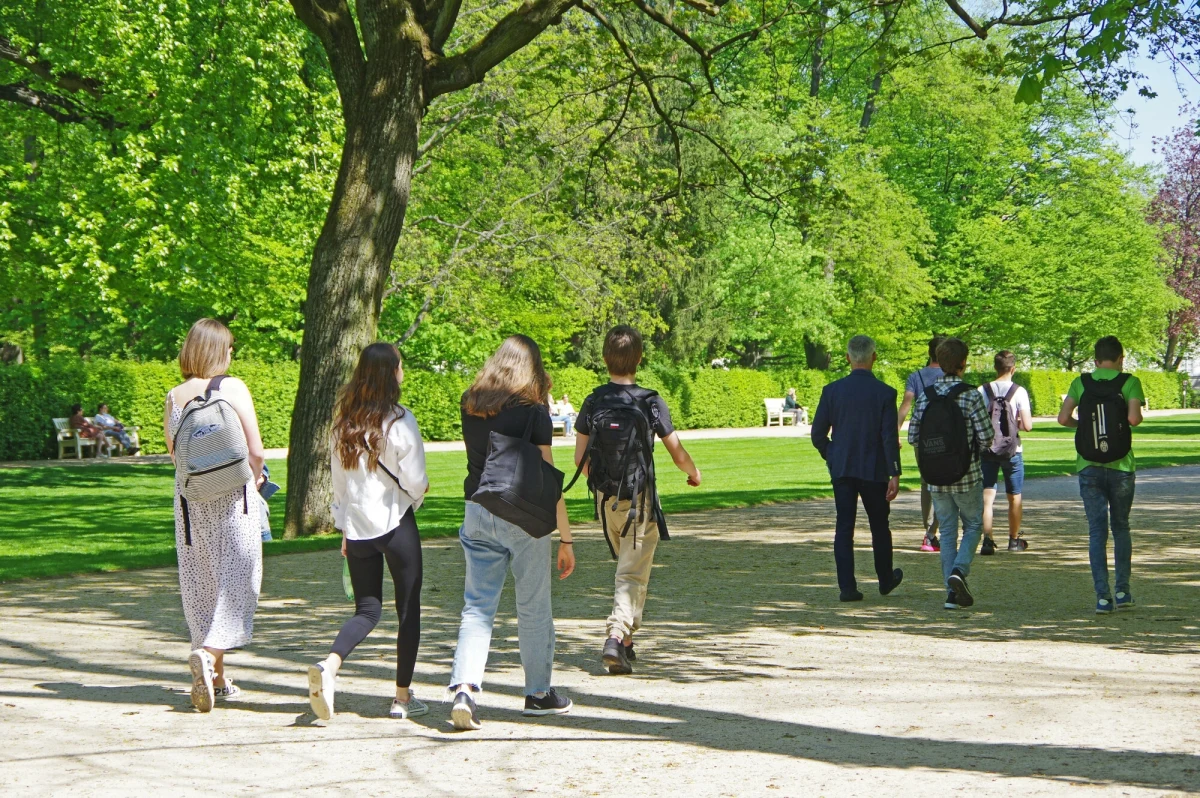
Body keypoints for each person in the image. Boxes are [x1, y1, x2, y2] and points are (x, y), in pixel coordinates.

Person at [448, 335, 576, 731]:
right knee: (533, 606)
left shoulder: (471, 404)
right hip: (522, 514)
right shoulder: (533, 412)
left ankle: (465, 688)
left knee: (477, 606)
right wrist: (566, 538)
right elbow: (548, 480)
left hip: (477, 508)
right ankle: (538, 694)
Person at [308, 343, 430, 721]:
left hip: (359, 527)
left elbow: (339, 486)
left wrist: (344, 526)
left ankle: (330, 665)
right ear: (392, 373)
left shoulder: (344, 423)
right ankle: (401, 698)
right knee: (408, 610)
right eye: (401, 366)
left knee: (367, 610)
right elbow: (417, 480)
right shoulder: (399, 420)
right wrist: (412, 497)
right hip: (395, 522)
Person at [573, 325, 701, 675]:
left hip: (604, 501)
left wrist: (604, 485)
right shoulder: (649, 400)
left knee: (632, 570)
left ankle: (627, 643)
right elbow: (676, 451)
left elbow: (579, 460)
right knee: (632, 572)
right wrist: (693, 472)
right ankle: (615, 635)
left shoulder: (594, 400)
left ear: (604, 358)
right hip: (639, 500)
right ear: (640, 358)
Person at [164, 319, 265, 712]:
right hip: (233, 498)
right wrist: (256, 481)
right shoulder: (232, 387)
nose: (232, 353)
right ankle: (209, 653)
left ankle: (217, 678)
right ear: (218, 350)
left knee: (201, 584)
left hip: (190, 502)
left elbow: (177, 456)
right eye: (230, 347)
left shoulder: (174, 396)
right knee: (240, 579)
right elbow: (255, 450)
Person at [810, 336, 903, 601]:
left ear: (848, 358)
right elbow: (888, 437)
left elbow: (818, 434)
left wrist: (833, 455)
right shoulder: (885, 393)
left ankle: (847, 587)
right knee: (879, 526)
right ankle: (885, 579)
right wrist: (894, 472)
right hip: (874, 469)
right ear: (874, 357)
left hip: (842, 468)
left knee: (844, 526)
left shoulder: (832, 391)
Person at [1057, 336, 1145, 614]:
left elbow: (1063, 418)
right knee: (1121, 527)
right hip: (1121, 466)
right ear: (1121, 358)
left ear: (1095, 360)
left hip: (1088, 465)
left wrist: (1082, 427)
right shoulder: (1130, 381)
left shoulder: (1081, 382)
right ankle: (1123, 591)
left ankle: (1102, 597)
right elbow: (1133, 419)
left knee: (1097, 532)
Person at [907, 337, 994, 610]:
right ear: (963, 363)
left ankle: (951, 594)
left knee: (946, 530)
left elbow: (913, 437)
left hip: (936, 475)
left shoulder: (926, 396)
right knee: (973, 526)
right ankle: (959, 571)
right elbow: (987, 437)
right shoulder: (970, 395)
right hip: (966, 473)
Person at [978, 351, 1033, 554]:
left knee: (987, 497)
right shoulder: (1019, 391)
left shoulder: (982, 390)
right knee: (1014, 496)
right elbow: (1027, 425)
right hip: (1012, 450)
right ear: (1013, 368)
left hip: (988, 449)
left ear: (995, 367)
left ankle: (987, 539)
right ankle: (1014, 540)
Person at [898, 336, 946, 552]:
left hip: (922, 436)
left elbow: (906, 405)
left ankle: (928, 531)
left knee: (926, 483)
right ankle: (934, 532)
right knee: (944, 483)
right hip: (946, 436)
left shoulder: (915, 376)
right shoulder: (950, 376)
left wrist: (893, 434)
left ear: (929, 353)